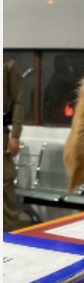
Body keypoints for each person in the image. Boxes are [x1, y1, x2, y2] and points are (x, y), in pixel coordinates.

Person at [3, 55, 24, 232]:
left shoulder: (8, 64)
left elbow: (18, 100)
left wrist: (15, 135)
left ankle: (12, 238)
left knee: (4, 185)